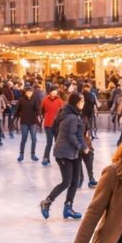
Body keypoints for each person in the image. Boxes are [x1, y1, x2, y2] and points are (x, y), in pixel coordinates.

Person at [40, 92, 88, 220]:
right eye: (82, 101)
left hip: (73, 153)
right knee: (67, 181)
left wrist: (84, 147)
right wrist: (81, 147)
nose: (84, 103)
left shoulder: (74, 114)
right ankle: (46, 202)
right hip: (64, 153)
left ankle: (68, 207)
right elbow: (71, 136)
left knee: (75, 181)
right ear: (76, 103)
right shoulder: (71, 116)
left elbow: (79, 135)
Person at [40, 87, 64, 166]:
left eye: (55, 91)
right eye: (53, 91)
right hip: (48, 124)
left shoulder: (59, 100)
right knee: (49, 142)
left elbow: (63, 111)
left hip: (57, 125)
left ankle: (60, 158)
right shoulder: (45, 100)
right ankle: (46, 158)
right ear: (50, 92)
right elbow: (42, 110)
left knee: (58, 142)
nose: (54, 93)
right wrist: (45, 117)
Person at [16, 86, 40, 162]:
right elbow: (17, 110)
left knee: (34, 139)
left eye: (30, 92)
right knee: (24, 138)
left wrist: (37, 115)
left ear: (32, 93)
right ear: (25, 93)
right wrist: (16, 118)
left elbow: (37, 110)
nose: (29, 93)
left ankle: (33, 154)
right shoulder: (21, 100)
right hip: (24, 122)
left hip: (32, 122)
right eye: (28, 92)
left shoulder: (34, 100)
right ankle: (21, 154)